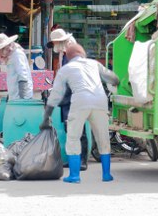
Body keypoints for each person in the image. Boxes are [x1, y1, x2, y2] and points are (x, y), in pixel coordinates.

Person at [40, 43, 119, 183]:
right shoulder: (94, 64)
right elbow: (113, 79)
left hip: (80, 102)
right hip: (100, 101)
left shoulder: (66, 69)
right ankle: (106, 174)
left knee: (73, 137)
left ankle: (74, 176)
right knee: (103, 138)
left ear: (68, 56)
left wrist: (46, 117)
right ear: (83, 54)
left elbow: (55, 96)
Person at [47, 27, 89, 171]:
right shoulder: (64, 54)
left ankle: (82, 160)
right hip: (67, 98)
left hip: (76, 96)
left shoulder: (73, 54)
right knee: (69, 129)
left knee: (79, 129)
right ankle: (74, 159)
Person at [0, 33, 33, 100]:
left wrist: (23, 99)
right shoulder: (11, 56)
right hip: (15, 96)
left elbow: (23, 76)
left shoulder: (17, 54)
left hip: (21, 98)